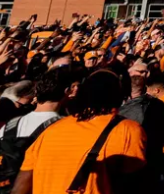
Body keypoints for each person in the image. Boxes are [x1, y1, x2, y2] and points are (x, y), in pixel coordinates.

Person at [14, 70, 147, 194]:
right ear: (119, 96)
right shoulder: (128, 130)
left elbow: (22, 184)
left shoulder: (51, 130)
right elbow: (135, 182)